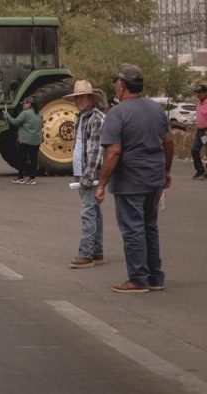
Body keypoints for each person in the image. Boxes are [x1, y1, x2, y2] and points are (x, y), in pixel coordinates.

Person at [95, 63, 173, 294]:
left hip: (130, 181)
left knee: (133, 229)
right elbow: (168, 142)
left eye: (116, 83)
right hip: (154, 179)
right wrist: (166, 171)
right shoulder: (156, 109)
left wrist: (102, 184)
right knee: (150, 227)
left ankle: (138, 279)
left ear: (122, 86)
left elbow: (114, 152)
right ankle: (155, 276)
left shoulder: (117, 113)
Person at [64, 80, 106, 269]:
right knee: (94, 212)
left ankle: (86, 254)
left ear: (90, 98)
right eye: (76, 97)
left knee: (88, 212)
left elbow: (96, 151)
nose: (78, 101)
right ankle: (96, 251)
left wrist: (87, 177)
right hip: (83, 171)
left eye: (81, 97)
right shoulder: (83, 117)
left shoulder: (96, 118)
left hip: (90, 173)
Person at [7, 97, 43, 184]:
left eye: (24, 103)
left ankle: (20, 177)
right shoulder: (39, 114)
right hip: (36, 140)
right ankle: (32, 178)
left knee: (22, 159)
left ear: (29, 104)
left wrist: (7, 115)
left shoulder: (25, 113)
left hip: (25, 140)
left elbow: (15, 122)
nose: (23, 105)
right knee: (33, 159)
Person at [191, 83, 207, 179]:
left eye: (200, 93)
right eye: (197, 93)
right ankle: (200, 170)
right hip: (199, 131)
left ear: (205, 93)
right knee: (194, 149)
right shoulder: (199, 103)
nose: (198, 95)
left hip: (206, 131)